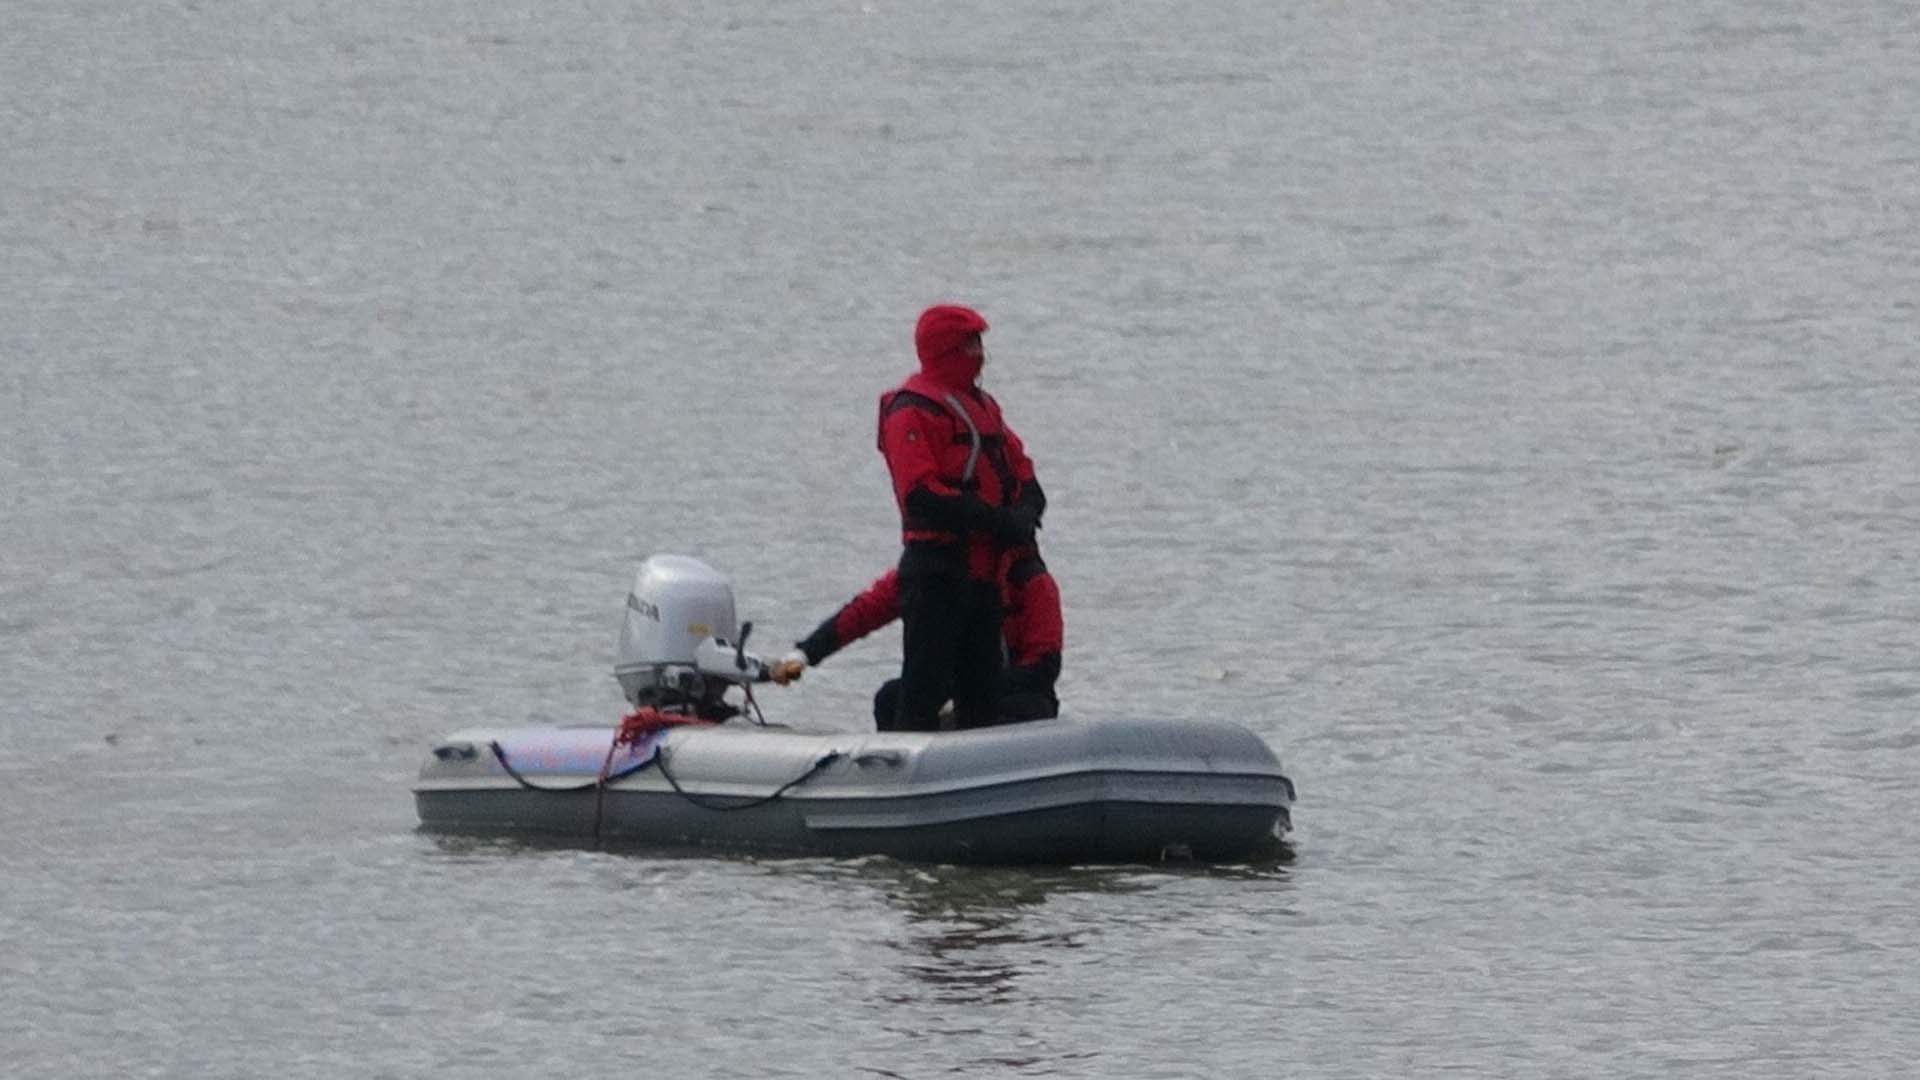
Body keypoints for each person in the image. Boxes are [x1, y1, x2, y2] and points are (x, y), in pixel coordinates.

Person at [872, 304, 1044, 731]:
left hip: (983, 576)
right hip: (936, 572)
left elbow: (1021, 470)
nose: (980, 355)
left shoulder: (984, 408)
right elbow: (920, 494)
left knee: (982, 693)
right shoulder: (911, 410)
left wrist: (1026, 512)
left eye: (980, 344)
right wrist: (996, 521)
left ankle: (981, 762)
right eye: (971, 344)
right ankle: (909, 759)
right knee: (924, 687)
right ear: (946, 348)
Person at [771, 541, 1063, 727]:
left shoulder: (1031, 583)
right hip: (950, 687)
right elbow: (863, 613)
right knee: (889, 699)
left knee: (1023, 708)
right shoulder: (926, 576)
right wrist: (805, 653)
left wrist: (972, 693)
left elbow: (1043, 667)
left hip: (1014, 693)